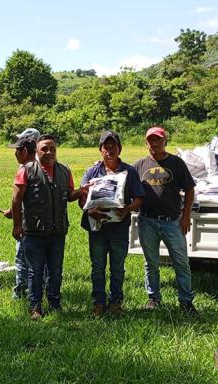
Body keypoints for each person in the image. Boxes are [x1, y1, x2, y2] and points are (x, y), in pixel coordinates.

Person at [12, 135, 85, 319]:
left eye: (52, 148)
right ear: (36, 151)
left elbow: (69, 195)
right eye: (44, 148)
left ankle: (54, 304)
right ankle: (35, 307)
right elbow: (16, 200)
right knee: (34, 271)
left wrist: (83, 191)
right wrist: (16, 226)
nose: (49, 152)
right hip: (34, 231)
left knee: (55, 271)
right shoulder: (26, 170)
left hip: (57, 231)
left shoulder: (64, 170)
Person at [133, 126, 198, 316]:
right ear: (146, 143)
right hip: (147, 221)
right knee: (150, 262)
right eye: (151, 140)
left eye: (158, 140)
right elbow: (128, 185)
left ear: (165, 141)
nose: (155, 143)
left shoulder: (176, 163)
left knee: (181, 262)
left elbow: (190, 190)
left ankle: (186, 301)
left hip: (173, 222)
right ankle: (153, 298)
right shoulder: (139, 165)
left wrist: (186, 215)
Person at [79, 130, 144, 317]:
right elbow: (82, 198)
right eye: (105, 148)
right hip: (97, 228)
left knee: (117, 266)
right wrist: (89, 210)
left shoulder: (129, 171)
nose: (109, 151)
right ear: (100, 150)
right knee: (98, 266)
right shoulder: (92, 172)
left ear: (119, 148)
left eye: (113, 147)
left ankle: (115, 302)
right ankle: (98, 303)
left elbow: (139, 198)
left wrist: (126, 209)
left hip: (119, 228)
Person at [4, 128, 40, 299]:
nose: (15, 153)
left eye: (18, 149)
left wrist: (17, 224)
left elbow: (18, 199)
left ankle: (21, 292)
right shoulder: (48, 164)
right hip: (43, 224)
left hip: (28, 224)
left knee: (22, 258)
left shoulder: (26, 168)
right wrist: (14, 211)